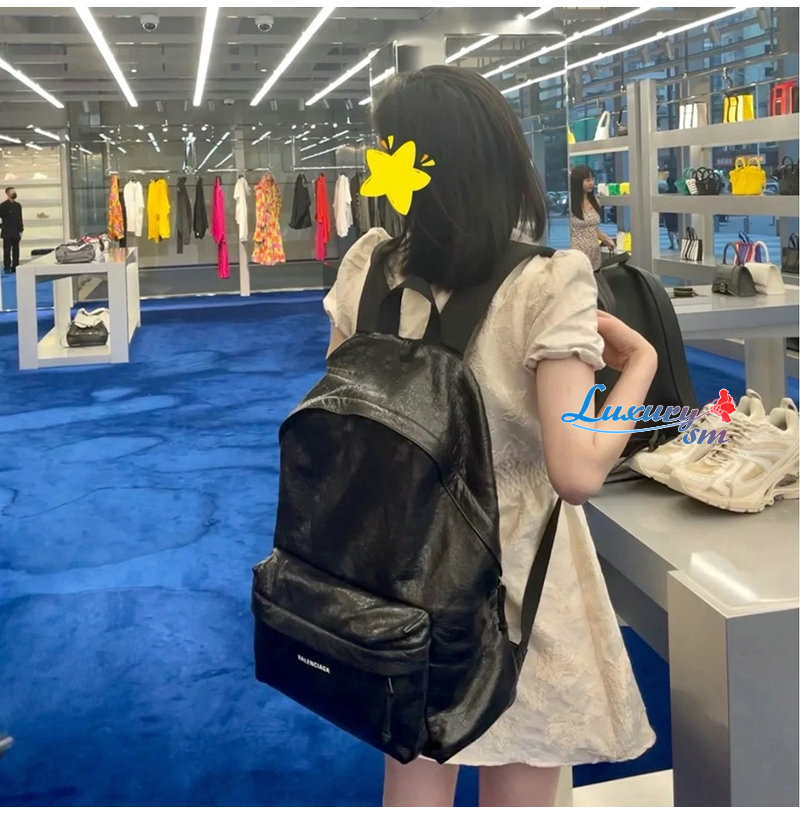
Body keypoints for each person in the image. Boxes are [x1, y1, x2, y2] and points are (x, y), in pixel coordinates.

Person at [322, 65, 657, 807]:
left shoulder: (369, 265)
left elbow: (342, 412)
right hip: (516, 576)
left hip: (398, 563)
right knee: (522, 773)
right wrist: (640, 366)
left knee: (413, 774)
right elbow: (577, 471)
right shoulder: (547, 281)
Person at [569, 165, 615, 270]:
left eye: (593, 179)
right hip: (576, 255)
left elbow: (593, 229)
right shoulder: (571, 204)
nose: (591, 183)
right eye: (587, 180)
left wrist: (606, 239)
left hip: (594, 253)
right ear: (578, 181)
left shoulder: (595, 201)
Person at [0, 186, 23, 274]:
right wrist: (2, 226)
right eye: (12, 192)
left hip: (16, 231)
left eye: (14, 191)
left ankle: (15, 266)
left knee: (16, 250)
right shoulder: (3, 206)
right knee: (7, 251)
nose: (14, 193)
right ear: (7, 194)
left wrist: (21, 230)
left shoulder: (18, 206)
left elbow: (20, 218)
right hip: (7, 232)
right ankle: (7, 267)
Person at [663, 176, 679, 250]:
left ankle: (672, 244)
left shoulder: (667, 192)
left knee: (670, 229)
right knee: (677, 230)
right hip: (676, 212)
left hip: (669, 213)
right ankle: (679, 243)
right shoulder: (677, 190)